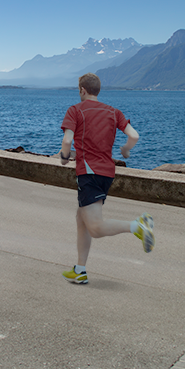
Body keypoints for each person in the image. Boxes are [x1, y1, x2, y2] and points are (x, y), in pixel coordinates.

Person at [60, 72, 154, 285]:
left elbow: (67, 140)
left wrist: (65, 157)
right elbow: (134, 136)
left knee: (94, 227)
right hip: (106, 173)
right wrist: (126, 151)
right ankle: (80, 270)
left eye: (79, 90)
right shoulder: (114, 112)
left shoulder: (75, 110)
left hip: (89, 173)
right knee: (81, 218)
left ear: (82, 90)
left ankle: (138, 226)